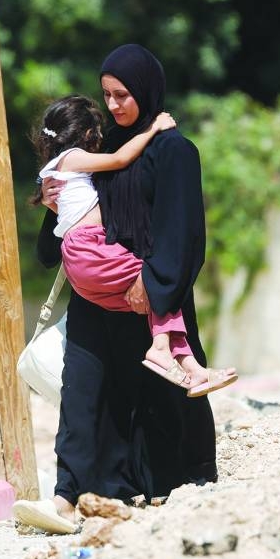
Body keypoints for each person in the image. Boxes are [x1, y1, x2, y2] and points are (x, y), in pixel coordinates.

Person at [13, 44, 220, 535]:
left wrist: (155, 285)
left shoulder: (173, 151)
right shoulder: (95, 155)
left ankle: (183, 486)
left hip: (150, 297)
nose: (114, 106)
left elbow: (183, 231)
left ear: (145, 91)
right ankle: (72, 494)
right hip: (95, 300)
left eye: (123, 95)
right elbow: (54, 247)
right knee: (82, 394)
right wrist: (50, 205)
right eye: (106, 95)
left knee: (164, 395)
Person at [29, 94, 238, 395]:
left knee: (159, 303)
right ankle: (161, 349)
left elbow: (70, 217)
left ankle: (192, 370)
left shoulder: (55, 174)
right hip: (90, 250)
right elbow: (119, 159)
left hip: (81, 262)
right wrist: (153, 129)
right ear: (88, 134)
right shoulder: (72, 159)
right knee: (159, 278)